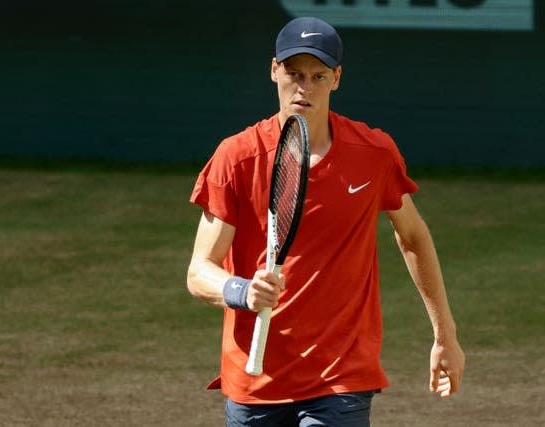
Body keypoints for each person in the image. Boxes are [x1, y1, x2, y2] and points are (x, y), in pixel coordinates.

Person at [187, 16, 465, 427]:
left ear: (336, 78)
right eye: (294, 73)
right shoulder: (237, 158)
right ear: (273, 70)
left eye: (318, 75)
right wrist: (242, 290)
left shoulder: (375, 153)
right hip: (255, 380)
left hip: (341, 378)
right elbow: (198, 272)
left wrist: (445, 336)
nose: (304, 87)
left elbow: (413, 236)